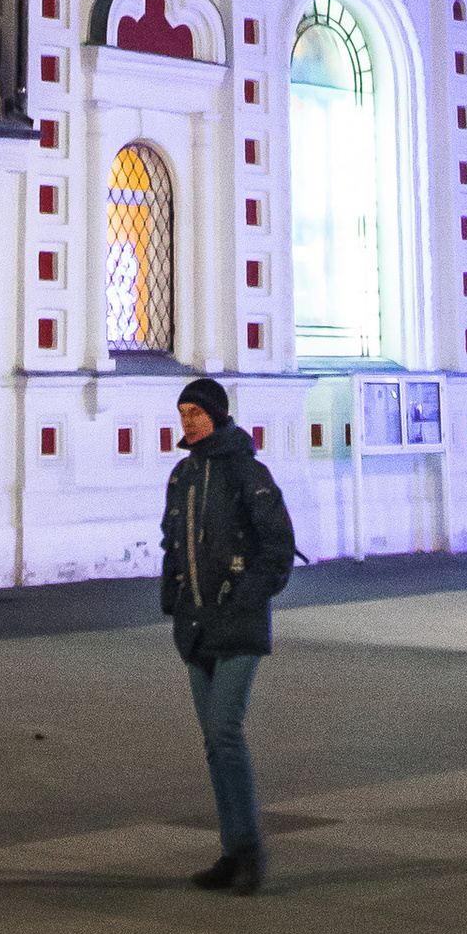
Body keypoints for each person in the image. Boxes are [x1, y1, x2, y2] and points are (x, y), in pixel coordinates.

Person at [160, 375, 294, 892]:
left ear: (217, 415)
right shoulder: (183, 476)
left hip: (236, 626)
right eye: (183, 415)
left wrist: (244, 597)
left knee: (223, 731)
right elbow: (173, 543)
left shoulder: (245, 471)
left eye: (196, 414)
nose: (189, 423)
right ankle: (231, 850)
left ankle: (248, 852)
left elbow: (277, 546)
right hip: (194, 626)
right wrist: (172, 599)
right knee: (214, 744)